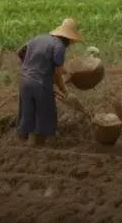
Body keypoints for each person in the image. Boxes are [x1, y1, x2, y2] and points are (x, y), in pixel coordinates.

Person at [17, 18, 81, 146]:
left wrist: (30, 66)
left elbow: (20, 52)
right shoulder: (60, 46)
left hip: (24, 81)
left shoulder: (38, 39)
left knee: (28, 112)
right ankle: (42, 147)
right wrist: (64, 90)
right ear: (68, 39)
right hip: (40, 84)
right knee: (45, 114)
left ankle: (26, 146)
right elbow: (57, 73)